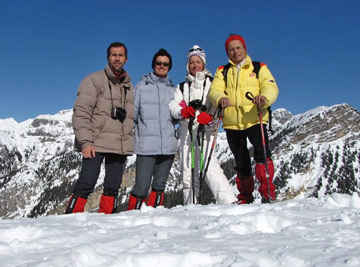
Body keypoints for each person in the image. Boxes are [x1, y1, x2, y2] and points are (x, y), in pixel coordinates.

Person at [208, 34, 279, 204]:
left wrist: (264, 98)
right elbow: (214, 91)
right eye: (231, 49)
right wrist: (220, 99)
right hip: (232, 122)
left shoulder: (259, 67)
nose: (235, 51)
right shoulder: (222, 71)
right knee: (241, 160)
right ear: (227, 52)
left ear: (245, 49)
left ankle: (268, 192)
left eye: (238, 47)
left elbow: (270, 86)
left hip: (255, 117)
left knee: (262, 155)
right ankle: (245, 196)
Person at [65, 42, 134, 214]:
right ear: (108, 57)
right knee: (86, 183)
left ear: (126, 59)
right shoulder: (94, 80)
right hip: (95, 142)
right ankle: (69, 221)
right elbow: (81, 112)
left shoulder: (129, 86)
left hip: (119, 144)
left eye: (120, 55)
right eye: (113, 55)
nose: (117, 58)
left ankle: (107, 223)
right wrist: (86, 142)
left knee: (113, 187)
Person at [169, 45, 237, 205]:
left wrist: (211, 116)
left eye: (198, 61)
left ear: (204, 63)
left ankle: (228, 201)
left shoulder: (213, 84)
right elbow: (173, 106)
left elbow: (218, 103)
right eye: (192, 62)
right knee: (187, 171)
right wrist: (182, 112)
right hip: (186, 133)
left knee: (209, 166)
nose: (195, 65)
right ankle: (190, 204)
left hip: (206, 131)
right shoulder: (181, 87)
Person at [127, 48, 178, 210]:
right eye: (159, 63)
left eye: (165, 64)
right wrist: (129, 140)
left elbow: (176, 115)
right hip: (146, 147)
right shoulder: (141, 87)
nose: (162, 66)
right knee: (141, 186)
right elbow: (132, 116)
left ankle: (154, 218)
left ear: (169, 67)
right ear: (153, 65)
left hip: (168, 146)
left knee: (159, 186)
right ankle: (131, 216)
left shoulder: (173, 89)